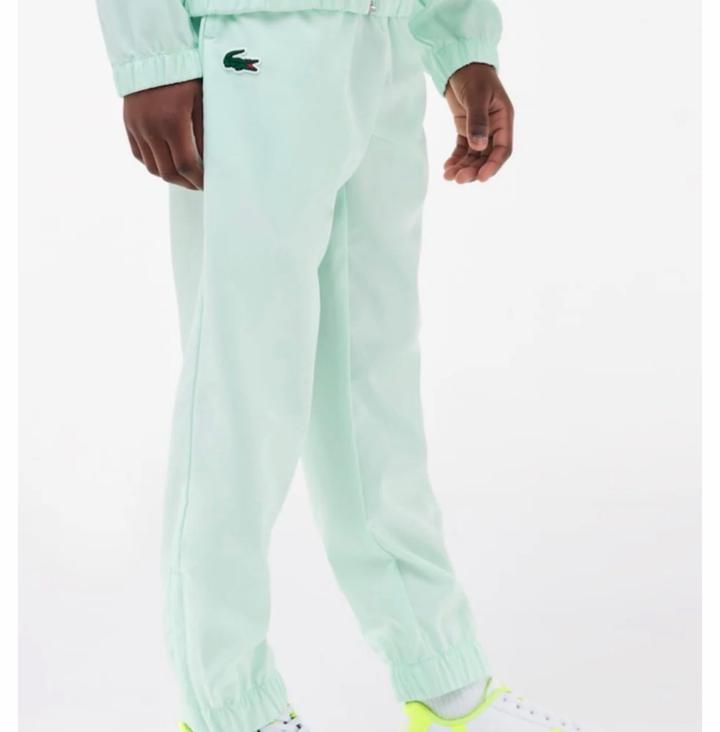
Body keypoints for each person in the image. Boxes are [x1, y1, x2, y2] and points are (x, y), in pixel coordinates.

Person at [96, 2, 602, 731]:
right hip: (253, 41)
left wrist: (458, 40)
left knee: (374, 388)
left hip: (382, 38)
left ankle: (445, 684)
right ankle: (228, 709)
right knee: (242, 389)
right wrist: (151, 55)